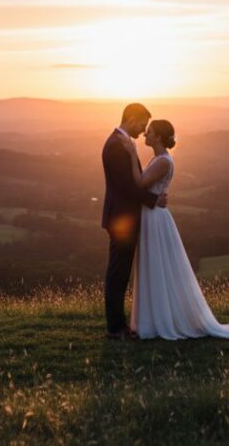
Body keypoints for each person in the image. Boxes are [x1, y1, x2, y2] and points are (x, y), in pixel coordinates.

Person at [118, 119, 229, 340]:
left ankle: (160, 320)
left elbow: (139, 183)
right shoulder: (158, 158)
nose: (145, 135)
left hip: (155, 219)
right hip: (151, 215)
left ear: (159, 137)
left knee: (156, 264)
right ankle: (153, 318)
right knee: (153, 265)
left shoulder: (163, 161)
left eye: (150, 132)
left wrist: (131, 154)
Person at [101, 103, 167, 340]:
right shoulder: (116, 147)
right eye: (142, 124)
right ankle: (115, 328)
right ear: (131, 119)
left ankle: (118, 325)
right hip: (121, 220)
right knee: (118, 273)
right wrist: (154, 199)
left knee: (121, 271)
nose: (143, 130)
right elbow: (126, 187)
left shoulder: (121, 143)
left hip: (123, 218)